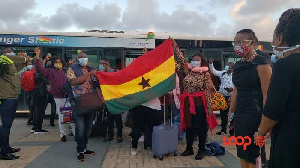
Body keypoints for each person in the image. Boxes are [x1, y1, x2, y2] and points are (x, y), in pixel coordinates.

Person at [255, 8, 300, 168]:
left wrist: (260, 133)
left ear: (280, 38)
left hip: (291, 141)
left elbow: (273, 110)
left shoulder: (284, 65)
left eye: (273, 38)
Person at [228, 29, 272, 168]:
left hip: (255, 114)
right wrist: (231, 113)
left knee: (253, 153)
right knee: (241, 151)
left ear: (253, 43)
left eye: (240, 42)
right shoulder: (239, 65)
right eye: (235, 42)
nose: (237, 45)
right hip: (240, 114)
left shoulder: (262, 64)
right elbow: (235, 91)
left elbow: (267, 95)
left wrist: (265, 122)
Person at [172, 42, 216, 160]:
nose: (194, 61)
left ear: (202, 62)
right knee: (189, 126)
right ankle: (189, 148)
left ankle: (201, 150)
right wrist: (174, 45)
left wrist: (209, 107)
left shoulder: (205, 74)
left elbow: (208, 90)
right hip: (187, 103)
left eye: (197, 60)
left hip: (200, 104)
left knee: (201, 127)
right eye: (193, 60)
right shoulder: (188, 71)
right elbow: (181, 57)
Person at [34, 47, 75, 141]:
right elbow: (40, 68)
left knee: (71, 115)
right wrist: (37, 56)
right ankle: (62, 134)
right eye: (56, 62)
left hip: (68, 96)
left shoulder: (66, 71)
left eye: (59, 61)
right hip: (58, 97)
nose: (58, 63)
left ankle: (75, 133)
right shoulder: (50, 72)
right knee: (61, 116)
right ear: (53, 63)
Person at [67, 51, 97, 162]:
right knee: (80, 127)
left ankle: (84, 147)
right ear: (77, 59)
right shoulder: (72, 68)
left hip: (91, 100)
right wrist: (89, 74)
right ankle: (80, 151)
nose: (83, 59)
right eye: (81, 57)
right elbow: (74, 82)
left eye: (85, 57)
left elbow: (96, 82)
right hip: (78, 101)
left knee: (89, 127)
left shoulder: (91, 68)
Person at [0, 48, 29, 160]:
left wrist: (28, 57)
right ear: (6, 54)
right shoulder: (3, 61)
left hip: (12, 97)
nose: (12, 53)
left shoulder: (10, 65)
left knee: (8, 125)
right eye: (10, 52)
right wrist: (15, 57)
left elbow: (23, 63)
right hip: (6, 97)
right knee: (6, 125)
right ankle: (4, 152)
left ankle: (5, 147)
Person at [99, 58, 123, 143]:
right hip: (107, 100)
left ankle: (119, 135)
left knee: (118, 118)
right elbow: (99, 87)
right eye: (100, 64)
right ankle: (110, 135)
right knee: (109, 119)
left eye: (102, 64)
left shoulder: (115, 72)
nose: (101, 66)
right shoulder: (101, 74)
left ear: (106, 64)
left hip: (115, 99)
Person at [209, 59, 234, 135]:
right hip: (222, 97)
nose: (227, 67)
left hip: (231, 97)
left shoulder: (235, 75)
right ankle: (223, 129)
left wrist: (232, 90)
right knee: (223, 114)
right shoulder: (223, 73)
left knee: (231, 114)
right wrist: (211, 64)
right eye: (227, 65)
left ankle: (232, 131)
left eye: (229, 66)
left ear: (233, 68)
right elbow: (214, 71)